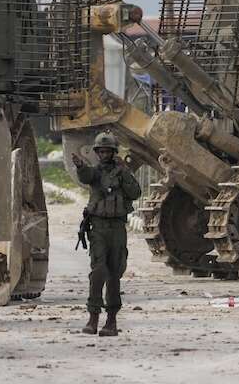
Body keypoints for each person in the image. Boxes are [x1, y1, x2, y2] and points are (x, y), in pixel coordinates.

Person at [71, 131, 141, 336]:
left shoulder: (122, 173)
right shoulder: (95, 173)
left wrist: (124, 171)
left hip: (118, 228)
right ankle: (93, 317)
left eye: (107, 151)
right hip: (99, 227)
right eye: (100, 151)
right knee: (98, 271)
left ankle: (111, 321)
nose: (103, 155)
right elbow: (86, 177)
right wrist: (80, 165)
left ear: (113, 152)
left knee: (114, 274)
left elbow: (135, 193)